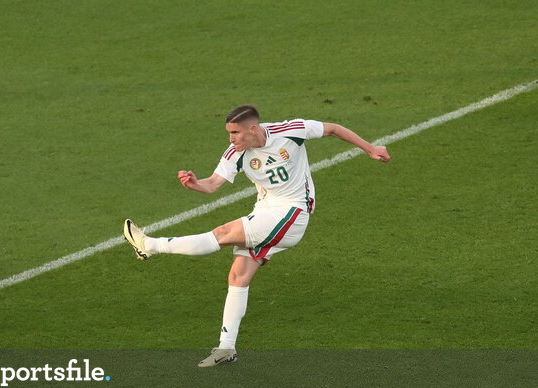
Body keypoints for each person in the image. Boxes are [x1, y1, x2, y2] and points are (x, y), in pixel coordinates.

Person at [124, 105, 390, 367]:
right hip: (265, 212)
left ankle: (149, 245)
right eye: (229, 133)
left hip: (293, 212)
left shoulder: (290, 130)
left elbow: (331, 129)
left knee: (222, 234)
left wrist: (371, 148)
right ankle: (226, 349)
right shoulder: (235, 153)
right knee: (238, 276)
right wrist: (195, 184)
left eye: (235, 133)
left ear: (252, 129)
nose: (231, 139)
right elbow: (213, 184)